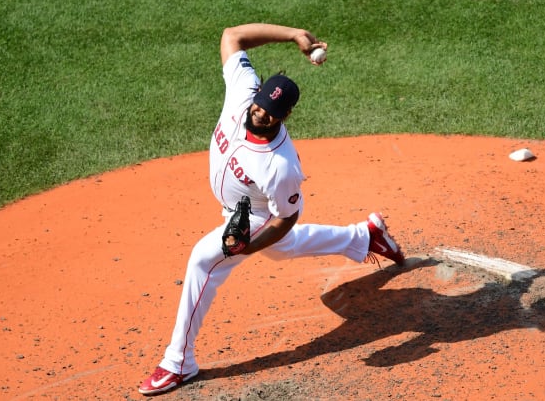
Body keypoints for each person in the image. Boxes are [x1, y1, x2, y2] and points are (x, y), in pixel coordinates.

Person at [138, 23, 405, 395]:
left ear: (286, 116)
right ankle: (365, 235)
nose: (261, 114)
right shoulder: (243, 92)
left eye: (271, 112)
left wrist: (247, 244)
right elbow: (232, 36)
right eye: (260, 105)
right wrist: (295, 34)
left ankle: (178, 362)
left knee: (203, 260)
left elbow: (286, 218)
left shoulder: (281, 167)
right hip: (238, 207)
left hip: (256, 218)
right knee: (283, 250)